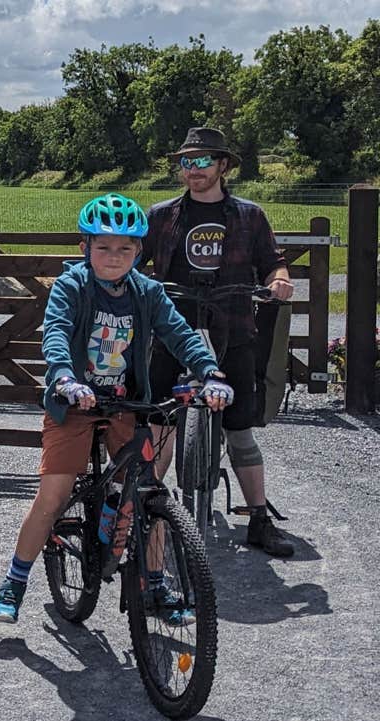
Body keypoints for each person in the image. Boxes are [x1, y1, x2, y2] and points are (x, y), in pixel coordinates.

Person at [0, 193, 233, 624]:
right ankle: (15, 580)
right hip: (75, 402)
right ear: (85, 248)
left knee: (149, 492)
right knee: (55, 493)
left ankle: (156, 584)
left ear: (140, 251)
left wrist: (210, 372)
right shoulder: (72, 286)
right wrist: (63, 376)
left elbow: (180, 334)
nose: (113, 256)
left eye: (125, 248)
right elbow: (58, 333)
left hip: (125, 402)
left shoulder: (148, 292)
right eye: (103, 246)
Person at [143, 127, 295, 558]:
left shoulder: (250, 216)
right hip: (173, 329)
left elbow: (273, 265)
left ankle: (259, 519)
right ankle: (148, 510)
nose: (193, 170)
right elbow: (132, 261)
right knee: (159, 421)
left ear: (223, 166)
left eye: (203, 160)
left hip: (234, 328)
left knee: (240, 430)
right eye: (187, 162)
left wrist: (279, 283)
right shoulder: (162, 215)